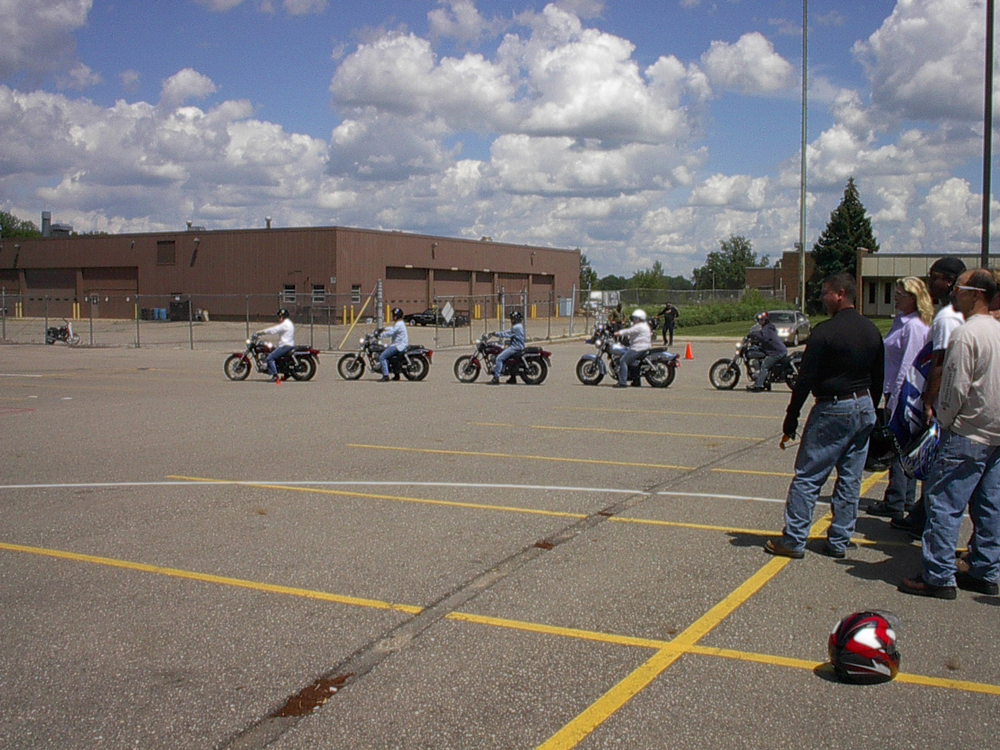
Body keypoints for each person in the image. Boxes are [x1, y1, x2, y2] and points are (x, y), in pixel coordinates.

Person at [764, 273, 884, 559]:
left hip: (833, 406)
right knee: (850, 478)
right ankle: (839, 540)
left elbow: (805, 379)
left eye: (825, 293)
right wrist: (873, 409)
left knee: (808, 476)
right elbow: (879, 376)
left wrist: (791, 417)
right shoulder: (871, 330)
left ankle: (793, 539)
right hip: (864, 405)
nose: (822, 298)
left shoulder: (825, 332)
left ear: (841, 294)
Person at [899, 269, 1000, 598]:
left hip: (967, 431)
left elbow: (956, 386)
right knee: (989, 506)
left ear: (978, 294)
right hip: (995, 434)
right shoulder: (997, 331)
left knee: (943, 502)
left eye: (960, 288)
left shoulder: (967, 334)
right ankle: (986, 569)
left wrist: (942, 420)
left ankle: (939, 575)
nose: (955, 293)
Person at [889, 256, 967, 535]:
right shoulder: (954, 314)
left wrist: (928, 402)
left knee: (934, 461)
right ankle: (920, 516)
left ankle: (925, 521)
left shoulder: (947, 318)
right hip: (954, 400)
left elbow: (939, 363)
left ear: (948, 280)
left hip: (943, 401)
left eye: (933, 275)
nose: (929, 280)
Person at [865, 277, 933, 521]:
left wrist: (896, 398)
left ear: (914, 298)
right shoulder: (902, 322)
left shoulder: (914, 326)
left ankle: (895, 500)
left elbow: (908, 365)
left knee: (898, 445)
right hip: (892, 389)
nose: (895, 297)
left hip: (903, 393)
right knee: (905, 447)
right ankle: (903, 499)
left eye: (900, 294)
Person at [746, 311, 787, 392]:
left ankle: (759, 386)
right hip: (778, 350)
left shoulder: (767, 328)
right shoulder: (769, 327)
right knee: (765, 363)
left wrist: (753, 334)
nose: (759, 322)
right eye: (759, 320)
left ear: (765, 320)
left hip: (776, 352)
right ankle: (766, 383)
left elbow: (764, 338)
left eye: (761, 320)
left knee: (764, 366)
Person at [614, 309, 651, 388]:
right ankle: (636, 381)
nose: (634, 320)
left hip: (638, 348)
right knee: (634, 363)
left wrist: (618, 333)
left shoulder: (639, 326)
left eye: (635, 318)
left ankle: (622, 382)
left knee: (623, 361)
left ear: (639, 318)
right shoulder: (645, 325)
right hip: (644, 347)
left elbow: (629, 331)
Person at [256, 308, 295, 382]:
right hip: (287, 345)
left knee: (270, 358)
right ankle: (284, 372)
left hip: (285, 346)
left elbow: (274, 330)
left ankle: (275, 376)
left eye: (279, 317)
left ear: (282, 317)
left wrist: (262, 332)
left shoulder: (285, 324)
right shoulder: (288, 323)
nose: (278, 318)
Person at [489, 309, 525, 385]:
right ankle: (512, 378)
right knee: (508, 359)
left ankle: (496, 378)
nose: (511, 320)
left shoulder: (516, 327)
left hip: (515, 347)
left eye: (513, 318)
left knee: (499, 358)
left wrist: (496, 334)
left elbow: (507, 334)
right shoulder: (519, 326)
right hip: (517, 346)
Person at [378, 307, 409, 381]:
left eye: (393, 315)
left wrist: (381, 335)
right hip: (399, 344)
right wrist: (384, 329)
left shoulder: (399, 324)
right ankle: (396, 375)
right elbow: (392, 329)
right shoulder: (399, 323)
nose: (392, 316)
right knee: (392, 358)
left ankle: (385, 376)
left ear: (396, 316)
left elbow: (391, 332)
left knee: (382, 357)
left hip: (398, 346)